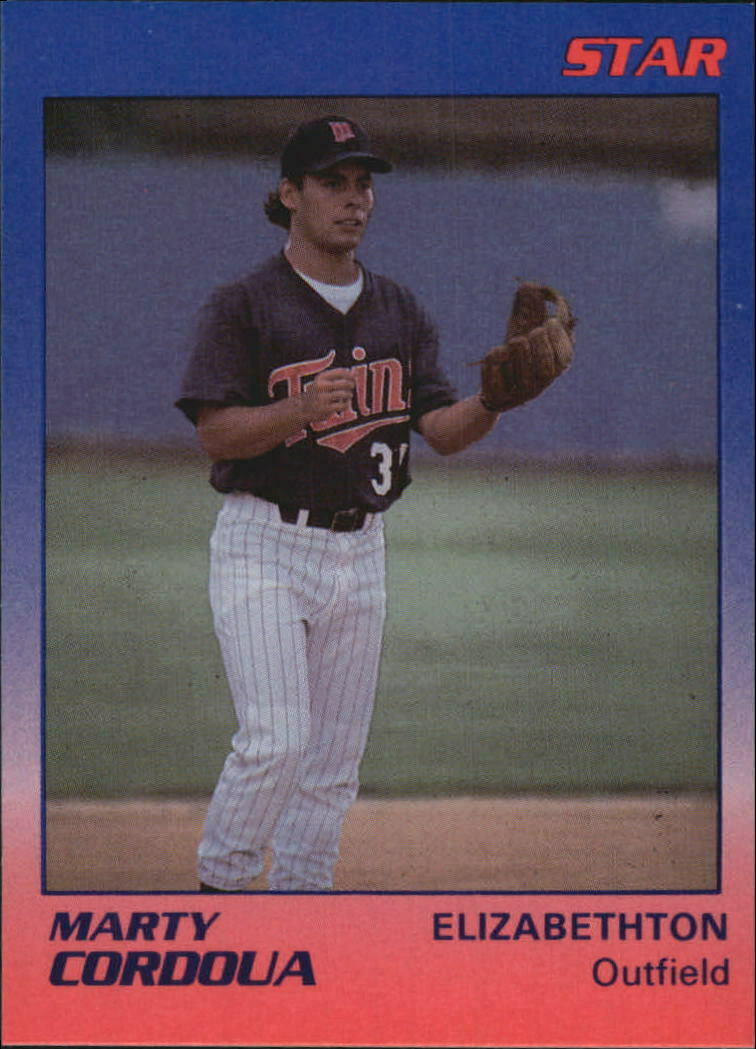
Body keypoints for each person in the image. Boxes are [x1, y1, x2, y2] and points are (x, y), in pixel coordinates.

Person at [176, 115, 502, 892]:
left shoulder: (398, 308)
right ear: (290, 194)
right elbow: (216, 434)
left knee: (332, 763)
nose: (355, 199)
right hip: (264, 542)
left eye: (363, 184)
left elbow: (443, 431)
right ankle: (220, 891)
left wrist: (497, 399)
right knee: (277, 741)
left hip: (362, 548)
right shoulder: (245, 304)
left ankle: (305, 902)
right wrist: (299, 408)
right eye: (333, 183)